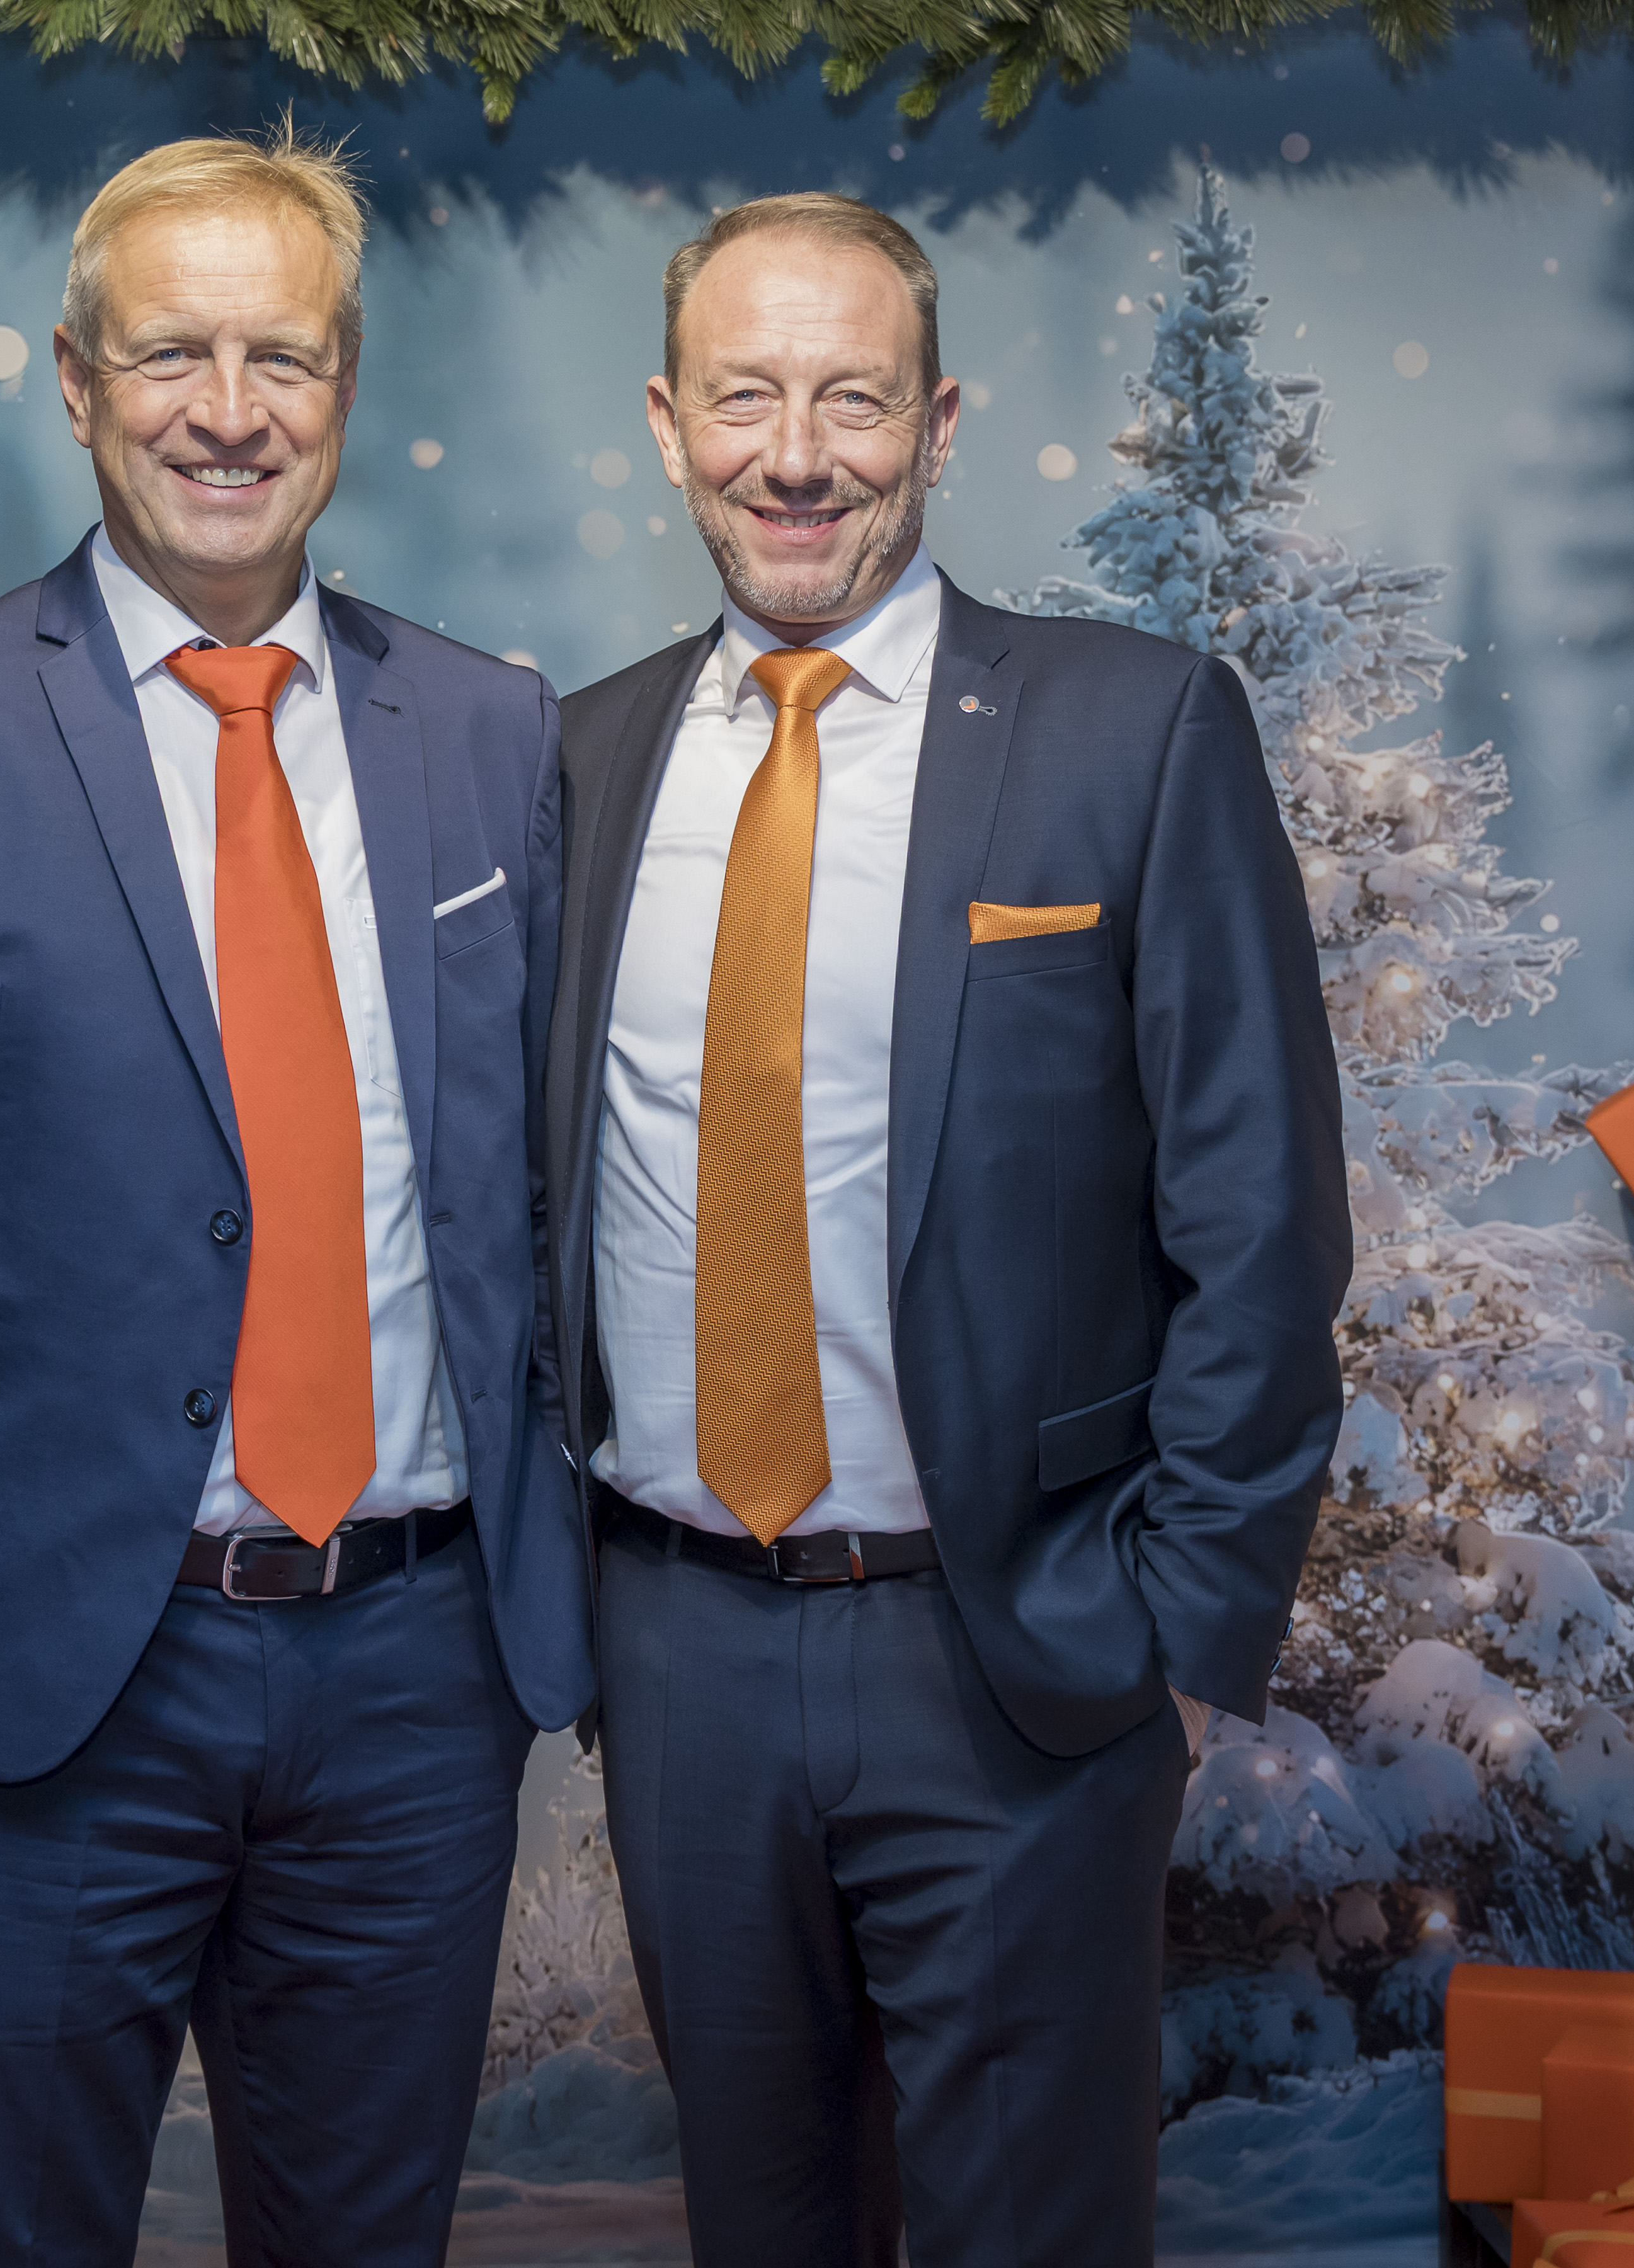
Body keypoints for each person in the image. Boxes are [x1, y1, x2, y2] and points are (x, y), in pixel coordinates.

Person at [0, 125, 590, 2268]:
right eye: (171, 353)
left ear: (344, 387)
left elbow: (555, 1209)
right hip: (40, 1678)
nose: (227, 409)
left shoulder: (489, 734)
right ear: (75, 383)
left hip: (417, 1674)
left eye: (282, 355)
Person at [546, 191, 1347, 2267]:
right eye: (743, 396)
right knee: (763, 2226)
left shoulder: (1130, 727)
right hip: (677, 1647)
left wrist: (1177, 1643)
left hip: (1016, 1656)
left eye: (853, 397)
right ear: (667, 422)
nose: (795, 454)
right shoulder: (581, 760)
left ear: (939, 420)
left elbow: (1260, 1218)